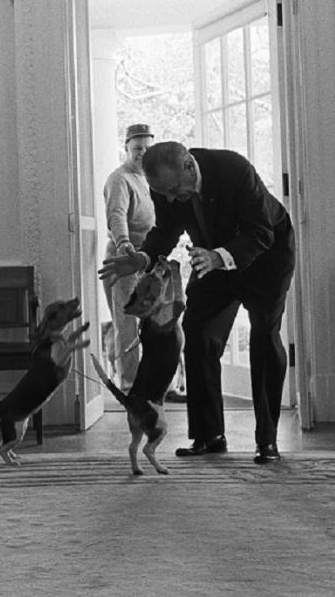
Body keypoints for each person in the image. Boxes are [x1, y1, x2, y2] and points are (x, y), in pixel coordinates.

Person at [98, 141, 295, 465]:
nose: (172, 198)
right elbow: (165, 232)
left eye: (175, 190)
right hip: (209, 257)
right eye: (165, 194)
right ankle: (209, 435)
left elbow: (261, 232)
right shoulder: (165, 186)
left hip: (267, 255)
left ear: (189, 166)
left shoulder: (234, 169)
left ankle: (267, 441)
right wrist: (141, 259)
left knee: (263, 336)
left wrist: (219, 257)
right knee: (197, 330)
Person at [101, 123, 155, 391]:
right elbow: (117, 216)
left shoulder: (150, 178)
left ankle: (160, 382)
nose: (142, 153)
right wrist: (124, 246)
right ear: (126, 149)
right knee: (128, 323)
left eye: (147, 148)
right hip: (124, 260)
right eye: (137, 148)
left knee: (156, 319)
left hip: (147, 258)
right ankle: (129, 385)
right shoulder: (119, 179)